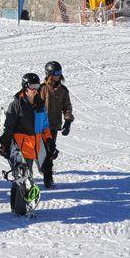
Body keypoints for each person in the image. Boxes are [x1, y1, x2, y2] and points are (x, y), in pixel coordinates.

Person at [0, 73, 54, 196]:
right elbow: (9, 127)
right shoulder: (17, 105)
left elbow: (45, 126)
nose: (35, 89)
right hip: (21, 149)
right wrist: (5, 144)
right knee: (22, 178)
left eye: (37, 86)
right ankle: (20, 208)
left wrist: (49, 140)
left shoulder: (40, 105)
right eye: (32, 86)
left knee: (27, 177)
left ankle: (21, 205)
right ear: (25, 86)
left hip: (34, 148)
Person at [38, 61, 73, 189]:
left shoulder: (63, 91)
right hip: (39, 126)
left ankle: (48, 179)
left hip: (53, 126)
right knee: (40, 151)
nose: (58, 76)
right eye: (55, 73)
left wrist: (68, 121)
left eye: (59, 73)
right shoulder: (41, 89)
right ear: (48, 74)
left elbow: (67, 107)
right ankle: (44, 164)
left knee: (49, 151)